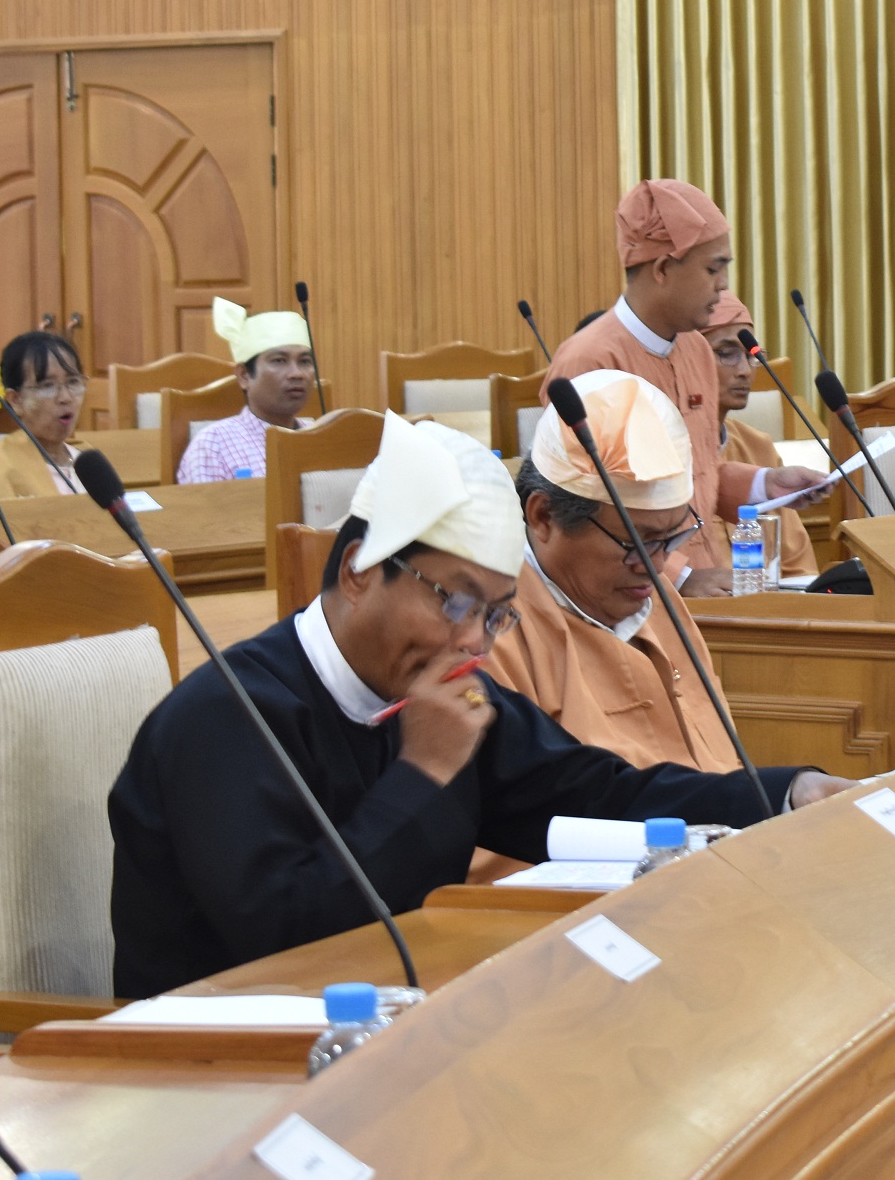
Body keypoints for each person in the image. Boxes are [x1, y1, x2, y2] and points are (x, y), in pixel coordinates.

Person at [108, 413, 850, 995]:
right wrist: (423, 772)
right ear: (361, 571)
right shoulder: (225, 719)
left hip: (407, 1028)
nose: (473, 642)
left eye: (496, 615)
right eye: (456, 602)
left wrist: (786, 795)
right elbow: (288, 942)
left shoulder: (446, 695)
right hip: (214, 1070)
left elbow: (598, 797)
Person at [543, 181, 828, 557]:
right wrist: (684, 576)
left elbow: (697, 474)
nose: (723, 286)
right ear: (662, 269)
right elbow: (584, 513)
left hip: (709, 575)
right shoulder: (590, 361)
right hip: (639, 586)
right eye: (713, 269)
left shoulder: (695, 349)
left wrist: (765, 483)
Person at [491, 368, 747, 770]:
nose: (656, 566)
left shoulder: (659, 599)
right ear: (543, 517)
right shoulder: (494, 635)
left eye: (671, 538)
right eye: (636, 543)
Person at [698, 294, 817, 580]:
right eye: (727, 353)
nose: (744, 371)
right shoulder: (662, 448)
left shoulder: (758, 446)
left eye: (750, 355)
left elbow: (798, 567)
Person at [176, 297, 317, 484]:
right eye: (279, 361)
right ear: (244, 375)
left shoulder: (320, 436)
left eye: (304, 361)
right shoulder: (213, 446)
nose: (297, 374)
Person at [0, 331, 89, 500]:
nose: (65, 397)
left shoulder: (89, 462)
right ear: (16, 400)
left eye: (73, 382)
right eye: (48, 386)